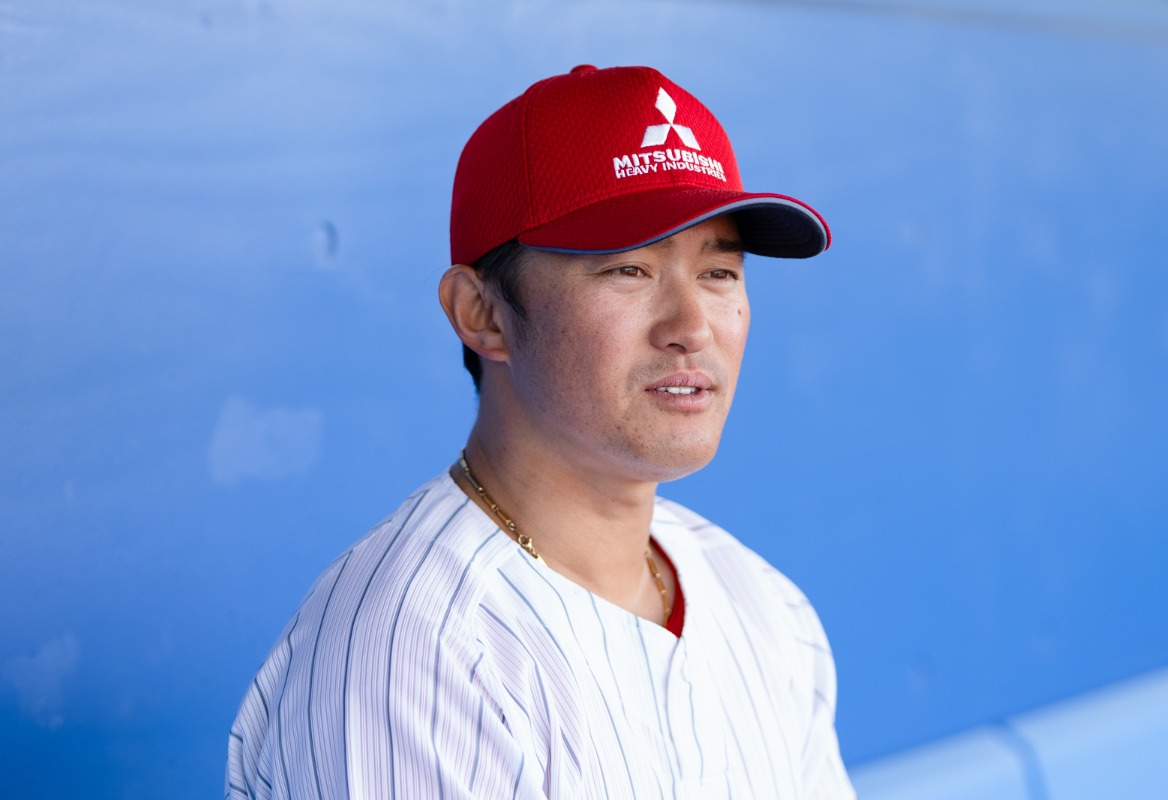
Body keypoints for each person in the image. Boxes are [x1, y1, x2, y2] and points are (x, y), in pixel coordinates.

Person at [226, 64, 855, 799]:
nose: (692, 327)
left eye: (719, 273)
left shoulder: (764, 605)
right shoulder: (410, 657)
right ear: (482, 314)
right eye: (628, 270)